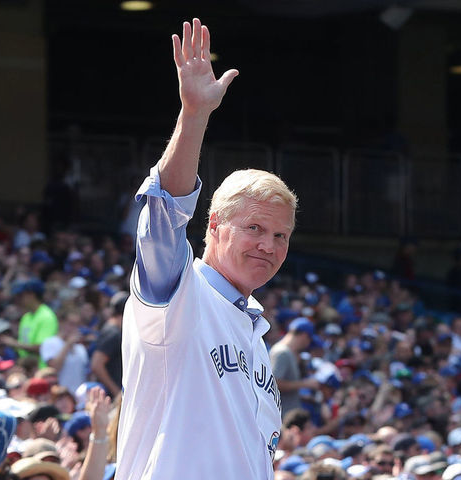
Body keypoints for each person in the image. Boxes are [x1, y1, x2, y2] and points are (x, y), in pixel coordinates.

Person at [116, 18, 296, 479]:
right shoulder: (179, 292)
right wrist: (194, 115)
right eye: (254, 227)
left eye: (280, 236)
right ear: (213, 225)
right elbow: (164, 216)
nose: (268, 245)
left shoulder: (254, 331)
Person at [270, 317, 321, 417]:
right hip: (281, 416)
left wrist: (302, 396)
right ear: (304, 336)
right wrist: (305, 384)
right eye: (309, 339)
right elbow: (274, 384)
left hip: (286, 413)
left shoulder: (288, 352)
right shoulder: (282, 352)